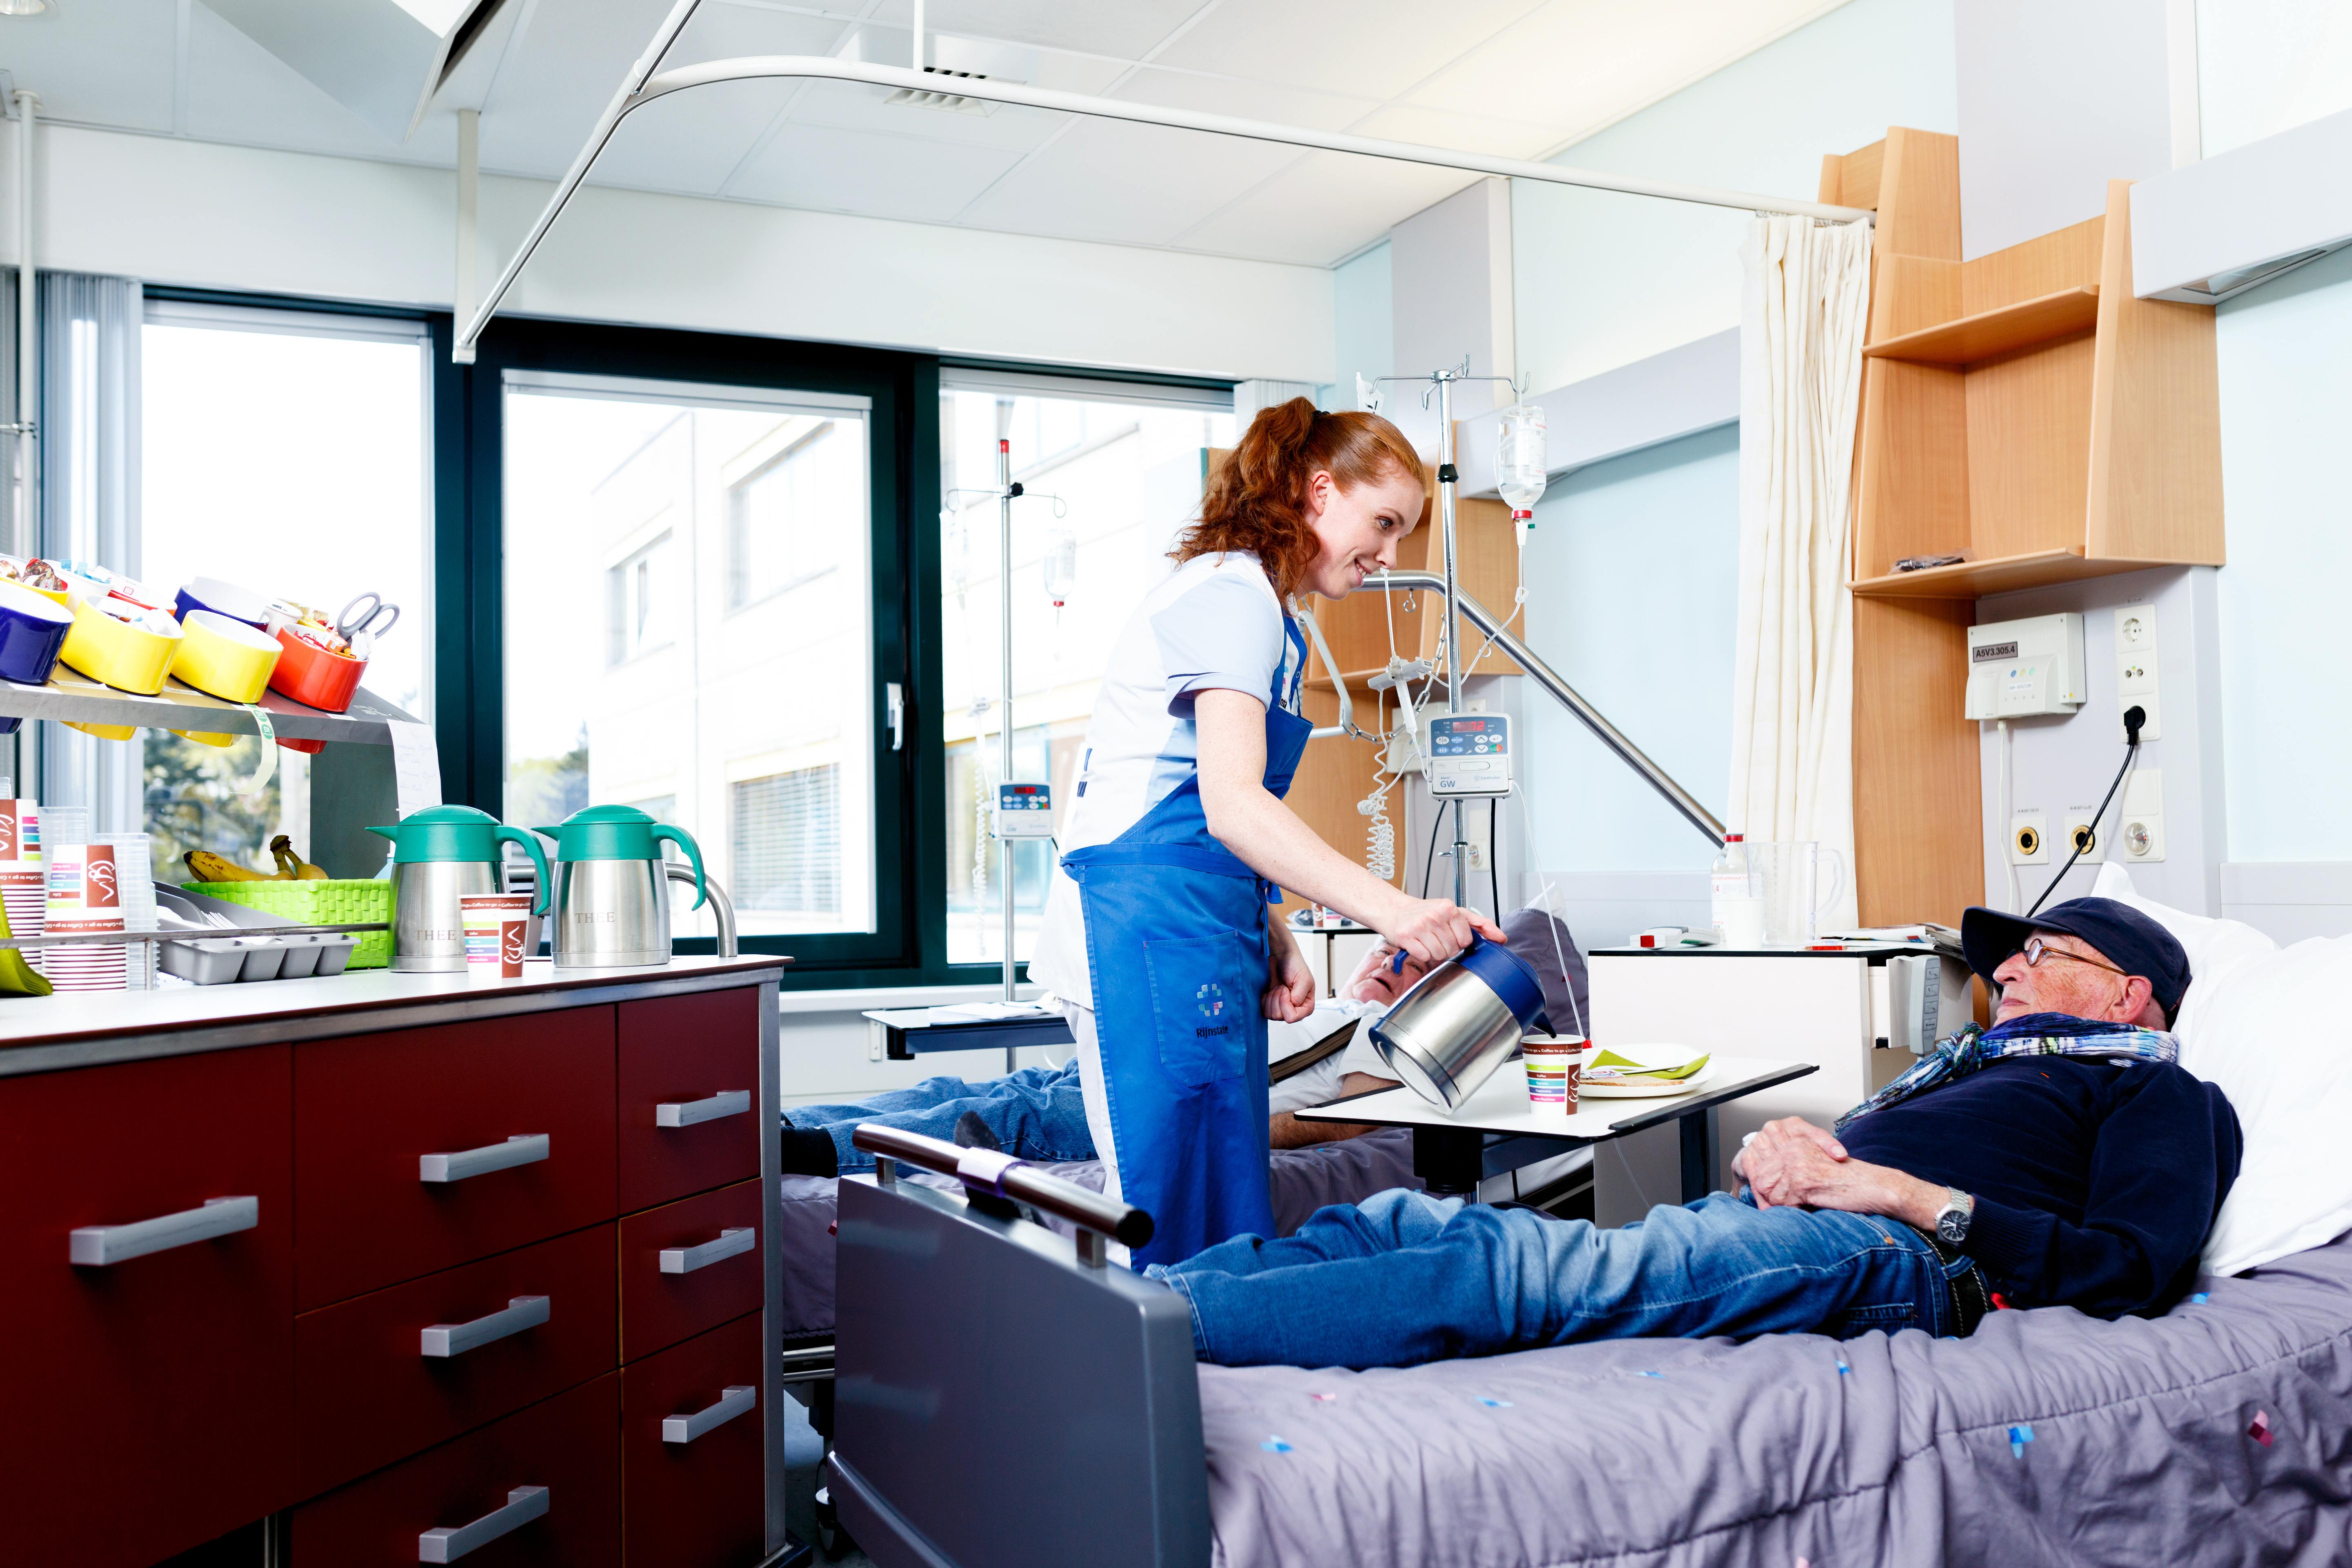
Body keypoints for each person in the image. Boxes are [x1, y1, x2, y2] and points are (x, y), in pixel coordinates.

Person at [1148, 898, 2244, 1369]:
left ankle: (1152, 1332)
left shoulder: (2160, 1096)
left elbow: (2132, 1271)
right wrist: (1787, 1149)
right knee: (1388, 1220)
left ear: (2126, 996)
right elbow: (1849, 1157)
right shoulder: (1982, 1070)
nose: (2006, 967)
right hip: (1817, 1219)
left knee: (1515, 1260)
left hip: (1914, 1261)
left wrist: (1896, 1195)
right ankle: (1148, 1296)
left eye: (2042, 955)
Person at [1029, 398, 1506, 1268]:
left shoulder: (1271, 615)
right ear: (1320, 490)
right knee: (1171, 1222)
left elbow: (1194, 802)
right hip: (1140, 934)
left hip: (1192, 929)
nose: (1389, 555)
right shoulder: (1231, 594)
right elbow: (1232, 804)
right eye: (1384, 523)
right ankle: (1170, 1400)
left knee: (1224, 1209)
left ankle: (1219, 1396)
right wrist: (1395, 911)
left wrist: (1272, 929)